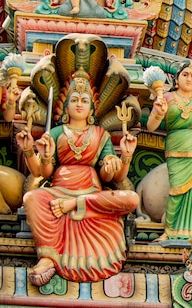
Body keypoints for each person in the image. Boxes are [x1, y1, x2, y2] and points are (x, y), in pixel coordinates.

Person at [16, 68, 139, 287]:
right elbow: (42, 173)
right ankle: (48, 257)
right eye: (74, 99)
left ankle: (75, 204)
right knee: (32, 199)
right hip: (59, 189)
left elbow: (112, 174)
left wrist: (125, 157)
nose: (79, 103)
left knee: (131, 199)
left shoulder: (101, 135)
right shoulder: (56, 133)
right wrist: (30, 152)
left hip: (91, 192)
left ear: (92, 108)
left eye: (84, 100)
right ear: (66, 106)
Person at [147, 60, 192, 242]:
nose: (189, 78)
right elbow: (151, 126)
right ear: (177, 79)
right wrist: (158, 112)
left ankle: (188, 233)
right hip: (176, 148)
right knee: (176, 191)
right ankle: (169, 231)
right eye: (185, 74)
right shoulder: (167, 98)